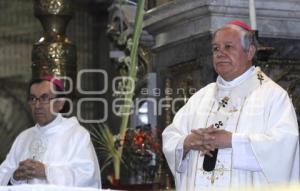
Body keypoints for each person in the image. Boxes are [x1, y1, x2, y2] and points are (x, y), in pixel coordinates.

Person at [162, 20, 299, 191]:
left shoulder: (272, 96)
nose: (220, 53)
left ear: (250, 52)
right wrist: (188, 142)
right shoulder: (201, 97)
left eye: (228, 47)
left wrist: (232, 141)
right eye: (216, 48)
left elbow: (285, 146)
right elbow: (171, 136)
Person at [0, 76, 102, 188]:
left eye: (44, 98)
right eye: (33, 99)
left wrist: (46, 172)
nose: (37, 105)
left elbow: (87, 177)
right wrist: (15, 177)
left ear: (60, 103)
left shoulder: (77, 135)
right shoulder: (23, 138)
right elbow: (3, 174)